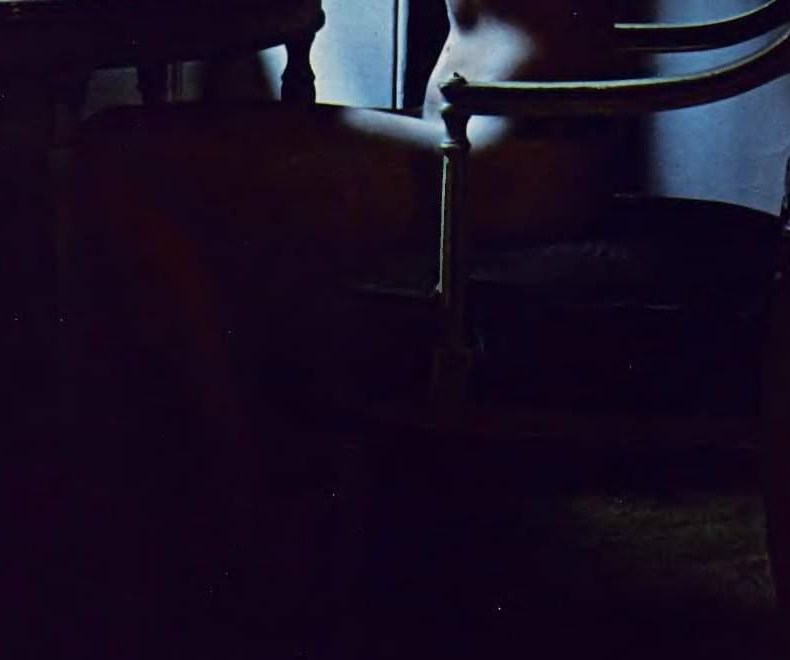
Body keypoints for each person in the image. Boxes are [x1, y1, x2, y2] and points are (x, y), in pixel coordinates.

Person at [73, 0, 626, 604]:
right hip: (487, 137)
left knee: (123, 163)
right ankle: (240, 490)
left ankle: (245, 513)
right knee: (136, 157)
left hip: (499, 161)